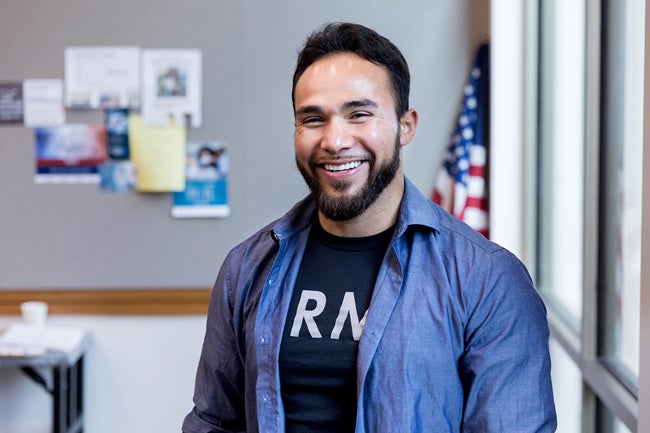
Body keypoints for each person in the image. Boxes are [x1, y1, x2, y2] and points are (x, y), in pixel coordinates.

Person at [182, 22, 557, 433]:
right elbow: (213, 422)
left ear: (406, 126)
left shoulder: (487, 280)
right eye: (312, 119)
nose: (334, 140)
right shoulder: (246, 269)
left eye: (359, 114)